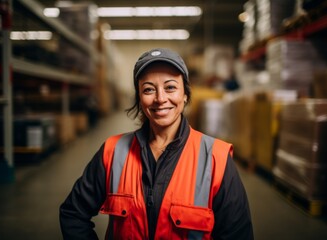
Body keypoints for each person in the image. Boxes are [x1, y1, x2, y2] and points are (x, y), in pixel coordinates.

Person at [59, 48, 254, 239]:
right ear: (139, 98)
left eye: (170, 87)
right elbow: (73, 213)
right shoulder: (113, 151)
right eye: (149, 89)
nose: (160, 99)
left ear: (185, 94)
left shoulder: (216, 159)